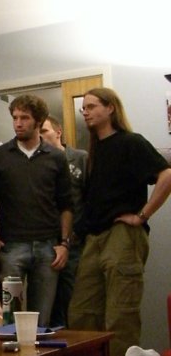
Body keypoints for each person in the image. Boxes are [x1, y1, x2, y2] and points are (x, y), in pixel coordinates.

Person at [68, 88, 171, 356]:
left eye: (91, 106)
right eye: (83, 108)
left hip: (122, 235)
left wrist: (142, 215)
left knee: (120, 316)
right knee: (81, 313)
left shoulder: (131, 142)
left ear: (110, 108)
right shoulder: (95, 150)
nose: (85, 112)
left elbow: (167, 176)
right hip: (94, 237)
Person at [0, 94, 73, 327]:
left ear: (38, 121)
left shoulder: (56, 157)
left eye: (24, 118)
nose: (18, 123)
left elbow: (66, 204)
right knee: (9, 319)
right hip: (12, 244)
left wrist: (64, 243)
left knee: (41, 321)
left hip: (48, 245)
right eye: (15, 117)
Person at [40, 115, 88, 327]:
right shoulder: (39, 162)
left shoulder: (80, 158)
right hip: (47, 243)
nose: (41, 136)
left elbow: (90, 197)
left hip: (76, 243)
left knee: (75, 300)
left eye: (44, 131)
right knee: (50, 304)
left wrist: (80, 231)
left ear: (58, 132)